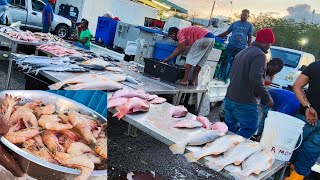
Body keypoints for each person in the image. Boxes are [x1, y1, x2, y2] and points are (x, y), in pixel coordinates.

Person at [223, 28, 275, 139]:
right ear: (267, 43)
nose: (270, 46)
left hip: (229, 97)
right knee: (249, 128)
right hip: (244, 101)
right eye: (270, 43)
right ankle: (232, 151)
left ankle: (222, 150)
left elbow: (231, 74)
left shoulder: (242, 52)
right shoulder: (260, 55)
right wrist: (267, 97)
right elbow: (255, 78)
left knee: (230, 129)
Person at [286, 61, 320, 180]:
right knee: (309, 155)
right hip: (307, 118)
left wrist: (307, 106)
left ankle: (281, 173)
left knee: (290, 149)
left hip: (305, 116)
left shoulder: (315, 65)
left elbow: (297, 86)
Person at [217, 9, 254, 81]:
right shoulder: (235, 23)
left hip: (241, 48)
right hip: (231, 46)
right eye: (242, 14)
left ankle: (228, 78)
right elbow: (227, 32)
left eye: (245, 14)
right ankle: (222, 76)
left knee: (235, 64)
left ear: (248, 16)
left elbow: (249, 37)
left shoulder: (249, 25)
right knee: (225, 61)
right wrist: (217, 36)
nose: (243, 16)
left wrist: (249, 48)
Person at [256, 58, 284, 137]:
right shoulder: (261, 69)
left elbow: (265, 87)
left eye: (277, 72)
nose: (274, 73)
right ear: (269, 65)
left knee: (260, 117)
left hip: (260, 97)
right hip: (252, 95)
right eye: (274, 70)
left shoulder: (271, 76)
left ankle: (257, 134)